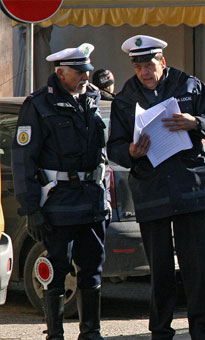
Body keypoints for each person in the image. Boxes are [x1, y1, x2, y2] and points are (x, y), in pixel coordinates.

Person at [107, 35, 205, 340]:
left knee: (197, 267)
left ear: (162, 62)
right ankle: (161, 331)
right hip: (152, 190)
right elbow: (115, 148)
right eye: (138, 67)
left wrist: (196, 122)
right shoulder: (125, 98)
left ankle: (202, 331)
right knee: (160, 269)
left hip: (190, 187)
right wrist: (131, 152)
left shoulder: (190, 86)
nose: (144, 72)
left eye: (149, 65)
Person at [11, 43, 108, 340]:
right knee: (55, 270)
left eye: (86, 72)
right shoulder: (39, 105)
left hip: (91, 200)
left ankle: (91, 333)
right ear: (60, 73)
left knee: (92, 269)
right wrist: (32, 210)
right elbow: (23, 161)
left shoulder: (92, 99)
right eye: (78, 72)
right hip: (58, 203)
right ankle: (55, 335)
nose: (84, 77)